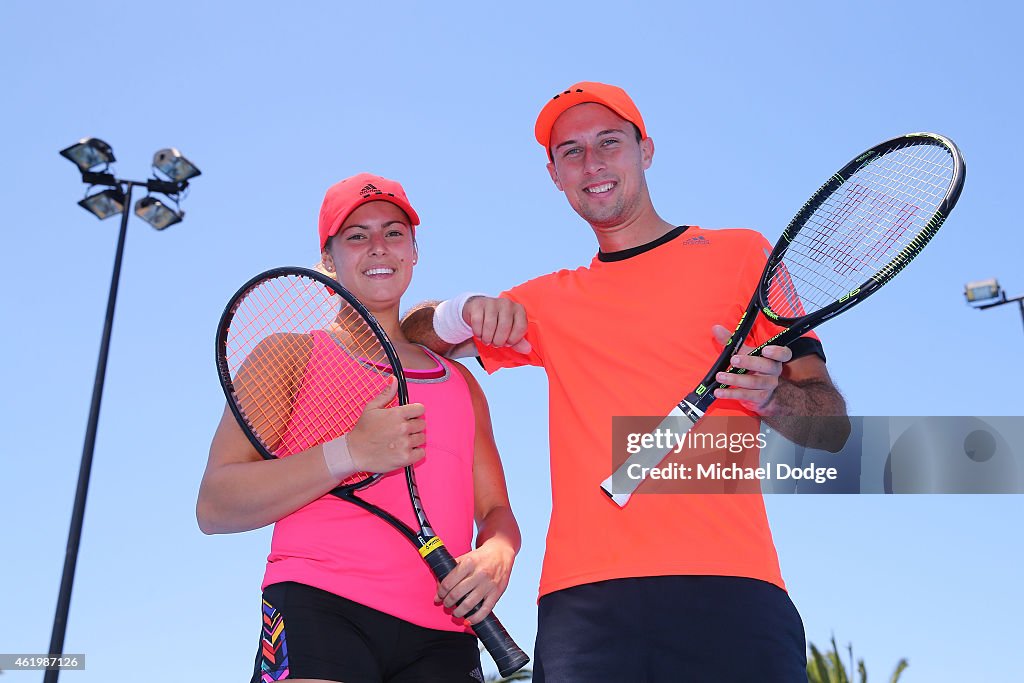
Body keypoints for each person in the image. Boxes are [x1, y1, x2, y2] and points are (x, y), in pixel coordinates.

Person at [401, 83, 851, 682]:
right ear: (555, 176)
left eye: (609, 143)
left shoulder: (744, 257)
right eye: (572, 152)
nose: (593, 164)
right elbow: (415, 337)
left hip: (734, 588)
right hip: (586, 607)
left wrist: (772, 395)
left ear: (646, 151)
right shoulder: (548, 304)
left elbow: (830, 427)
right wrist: (461, 311)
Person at [197, 173, 522, 683]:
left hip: (446, 629)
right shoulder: (289, 355)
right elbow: (215, 506)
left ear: (414, 252)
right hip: (319, 607)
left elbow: (495, 510)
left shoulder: (459, 381)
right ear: (328, 258)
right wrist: (349, 452)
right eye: (356, 235)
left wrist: (499, 553)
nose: (378, 247)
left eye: (394, 233)